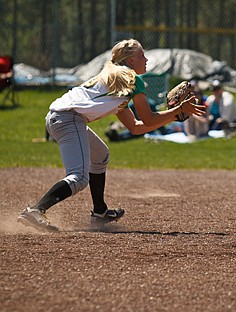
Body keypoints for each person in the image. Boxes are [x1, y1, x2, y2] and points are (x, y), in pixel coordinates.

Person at [17, 39, 205, 232]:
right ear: (131, 60)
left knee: (100, 155)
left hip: (63, 118)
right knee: (79, 178)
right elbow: (149, 119)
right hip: (68, 119)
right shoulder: (132, 79)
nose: (146, 59)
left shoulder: (116, 80)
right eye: (141, 55)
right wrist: (177, 111)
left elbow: (136, 127)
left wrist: (171, 116)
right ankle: (36, 210)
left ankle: (100, 212)